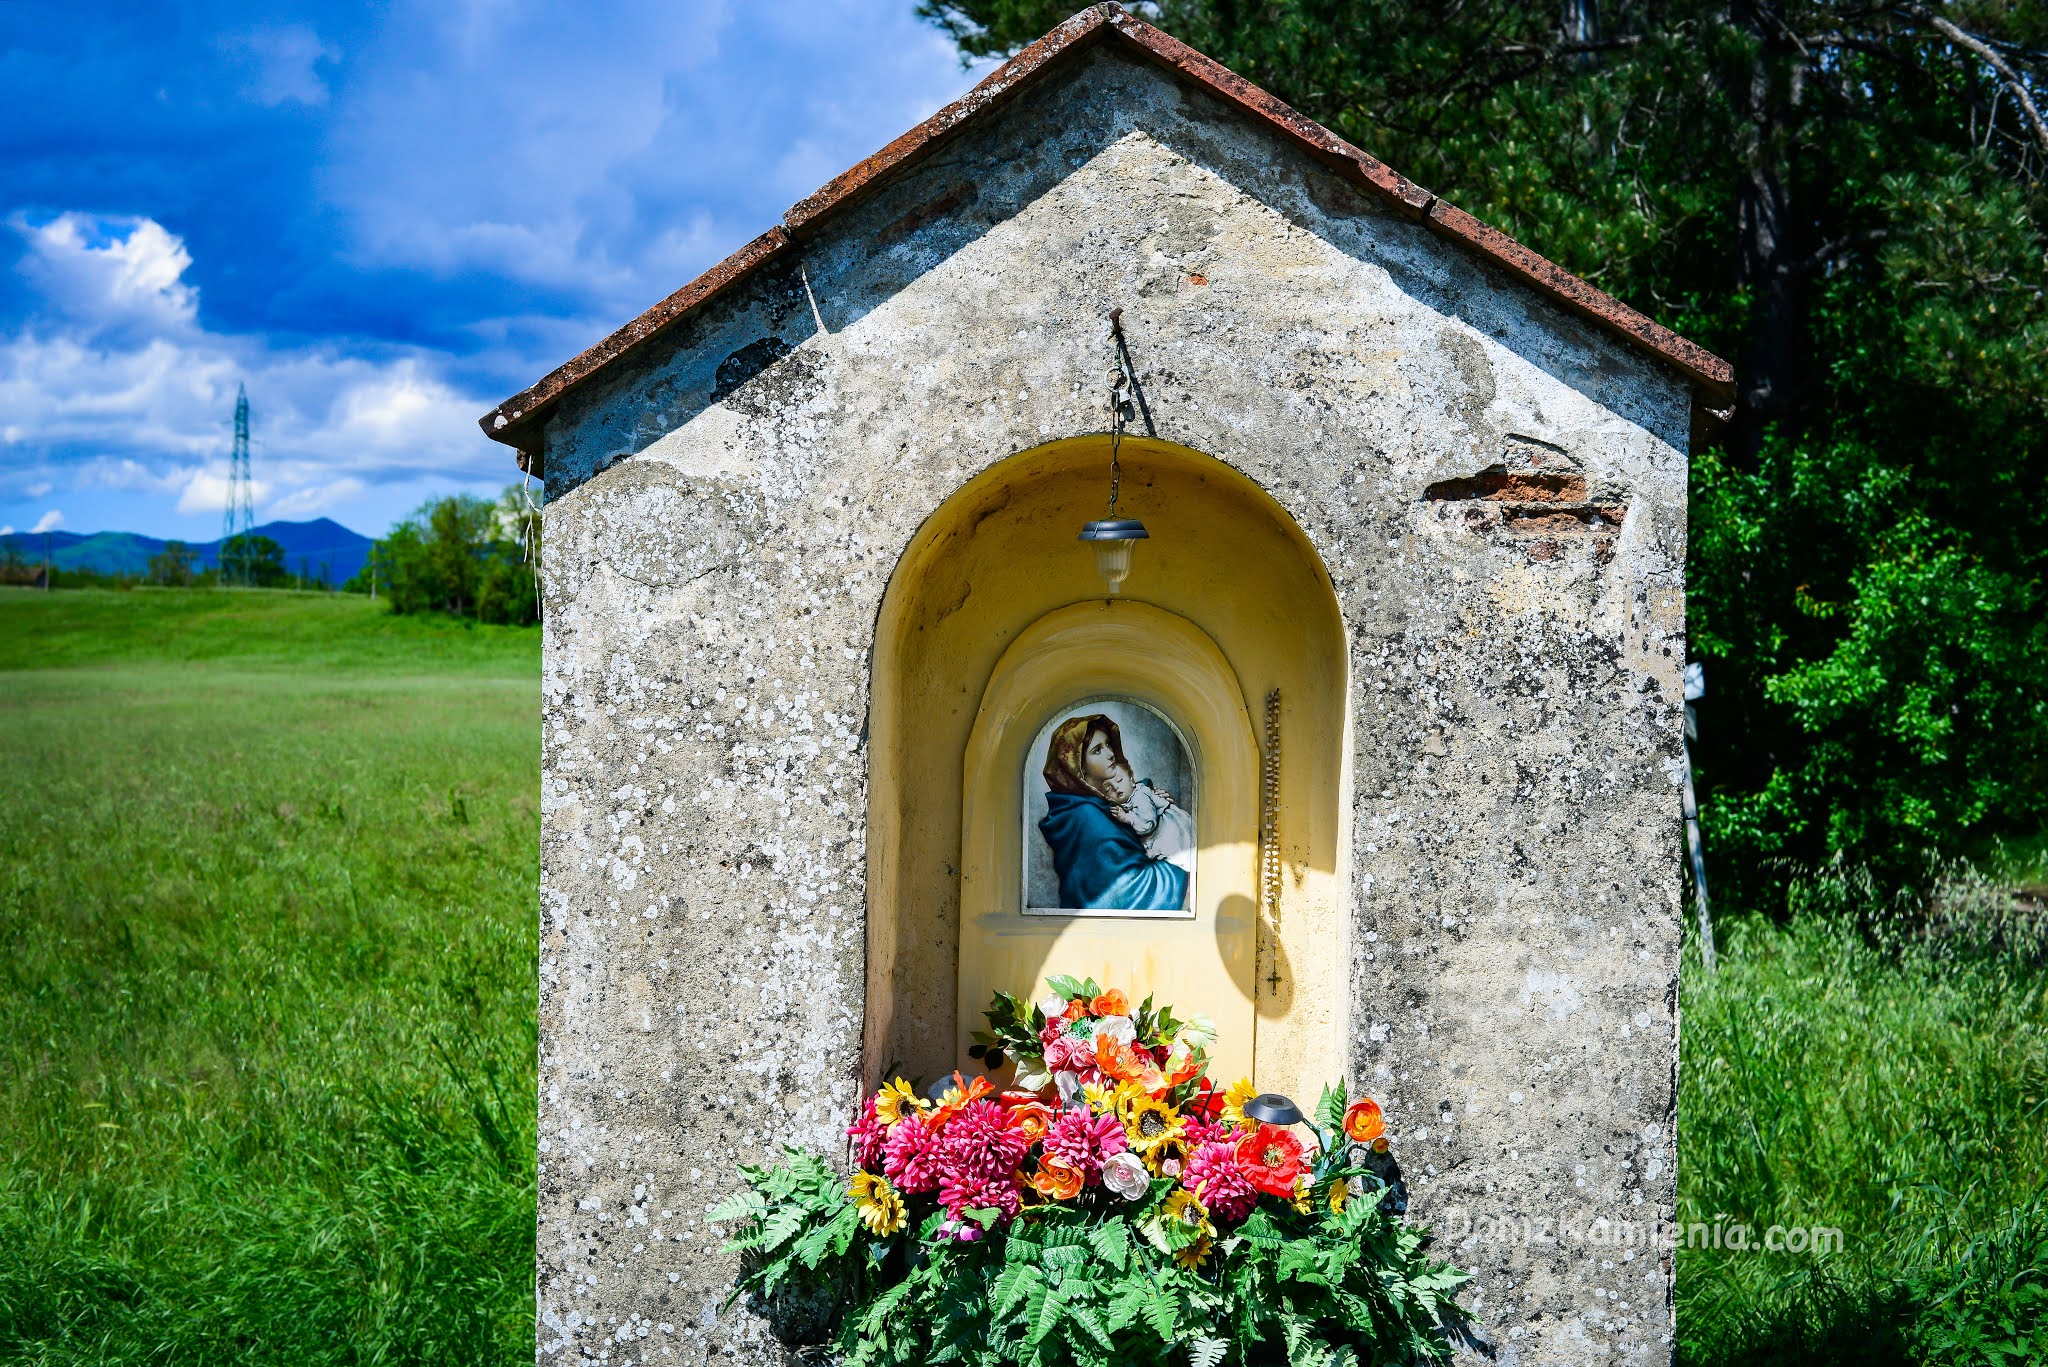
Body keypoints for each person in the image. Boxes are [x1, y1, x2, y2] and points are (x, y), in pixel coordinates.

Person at [1037, 714, 1190, 911]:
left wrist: (1151, 800)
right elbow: (1128, 890)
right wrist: (1188, 877)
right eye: (1097, 750)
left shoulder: (1102, 801)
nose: (1110, 754)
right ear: (1078, 767)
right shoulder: (1086, 817)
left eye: (1108, 744)